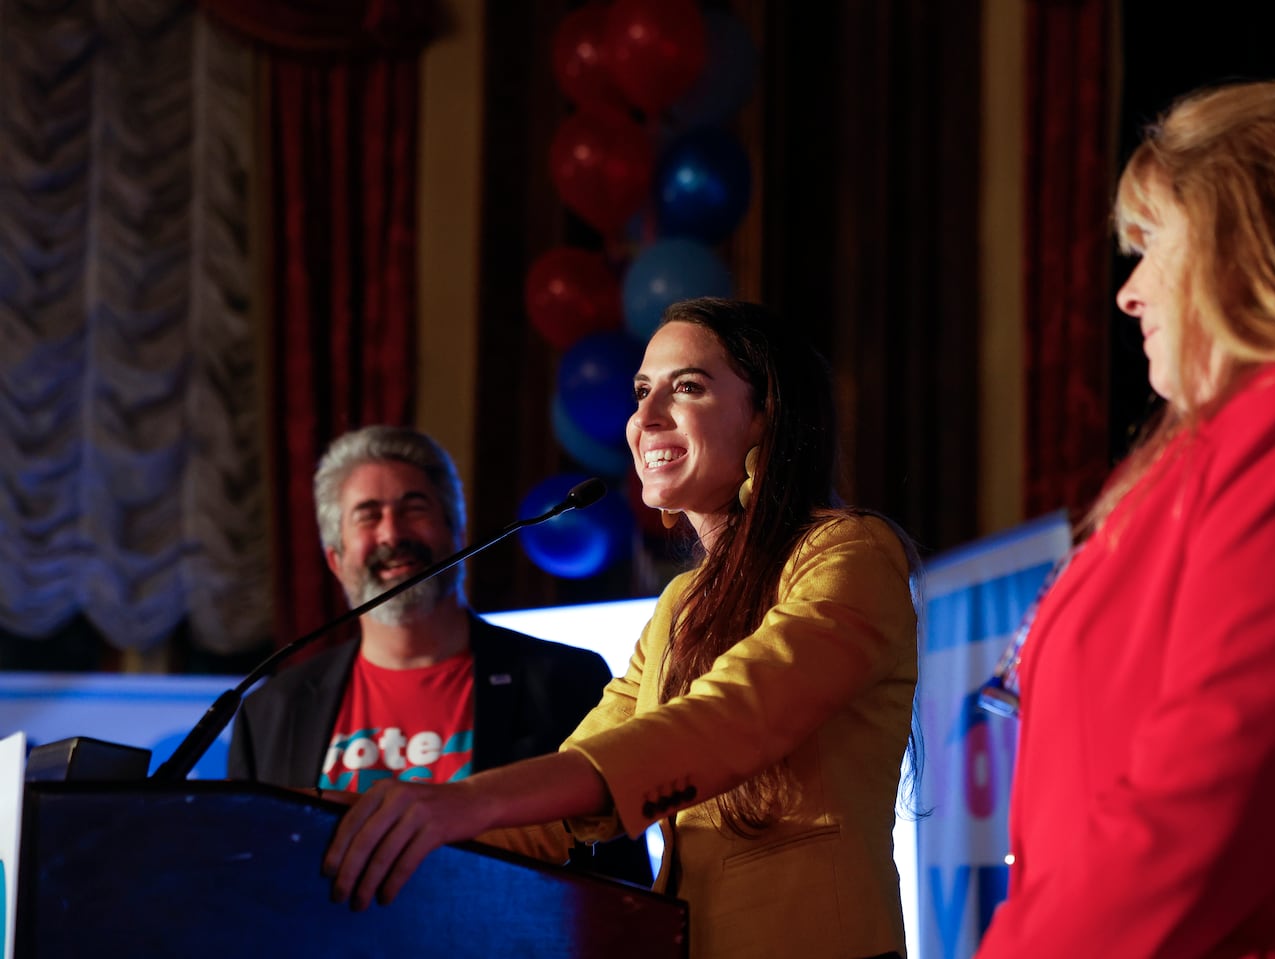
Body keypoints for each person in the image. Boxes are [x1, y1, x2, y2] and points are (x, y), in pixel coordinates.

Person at [976, 80, 1275, 957]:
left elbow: (1207, 793)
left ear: (1247, 237)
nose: (1129, 292)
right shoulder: (1210, 451)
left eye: (1150, 246)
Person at [321, 299, 921, 959]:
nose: (645, 417)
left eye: (686, 386)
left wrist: (467, 800)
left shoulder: (851, 553)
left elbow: (731, 718)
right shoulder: (680, 603)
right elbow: (565, 798)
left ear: (765, 414)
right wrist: (343, 823)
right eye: (641, 392)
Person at [226, 425, 652, 885]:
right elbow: (243, 876)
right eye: (368, 516)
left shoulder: (566, 680)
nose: (393, 532)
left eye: (414, 508)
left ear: (456, 531)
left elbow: (619, 887)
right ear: (335, 558)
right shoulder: (271, 711)